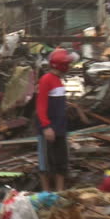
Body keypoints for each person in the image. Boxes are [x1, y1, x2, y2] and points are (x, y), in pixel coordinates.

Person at [36, 48, 77, 192]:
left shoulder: (58, 80)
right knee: (46, 163)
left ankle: (59, 193)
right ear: (62, 65)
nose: (70, 67)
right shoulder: (46, 79)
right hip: (49, 129)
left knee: (61, 162)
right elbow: (41, 105)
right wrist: (46, 126)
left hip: (59, 128)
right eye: (68, 64)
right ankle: (46, 192)